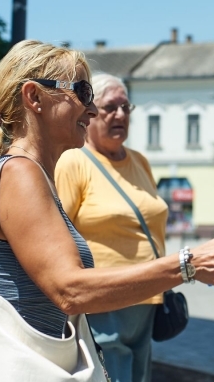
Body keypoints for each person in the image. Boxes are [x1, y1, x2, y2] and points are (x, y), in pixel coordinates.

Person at [0, 40, 214, 357]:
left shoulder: (30, 173)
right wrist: (188, 264)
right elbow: (70, 290)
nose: (91, 110)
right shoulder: (19, 173)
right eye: (82, 93)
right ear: (34, 97)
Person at [54, 73, 164, 382]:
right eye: (110, 107)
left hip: (147, 297)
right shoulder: (74, 161)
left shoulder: (140, 162)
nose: (120, 115)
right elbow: (60, 232)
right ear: (90, 112)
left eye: (126, 107)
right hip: (104, 299)